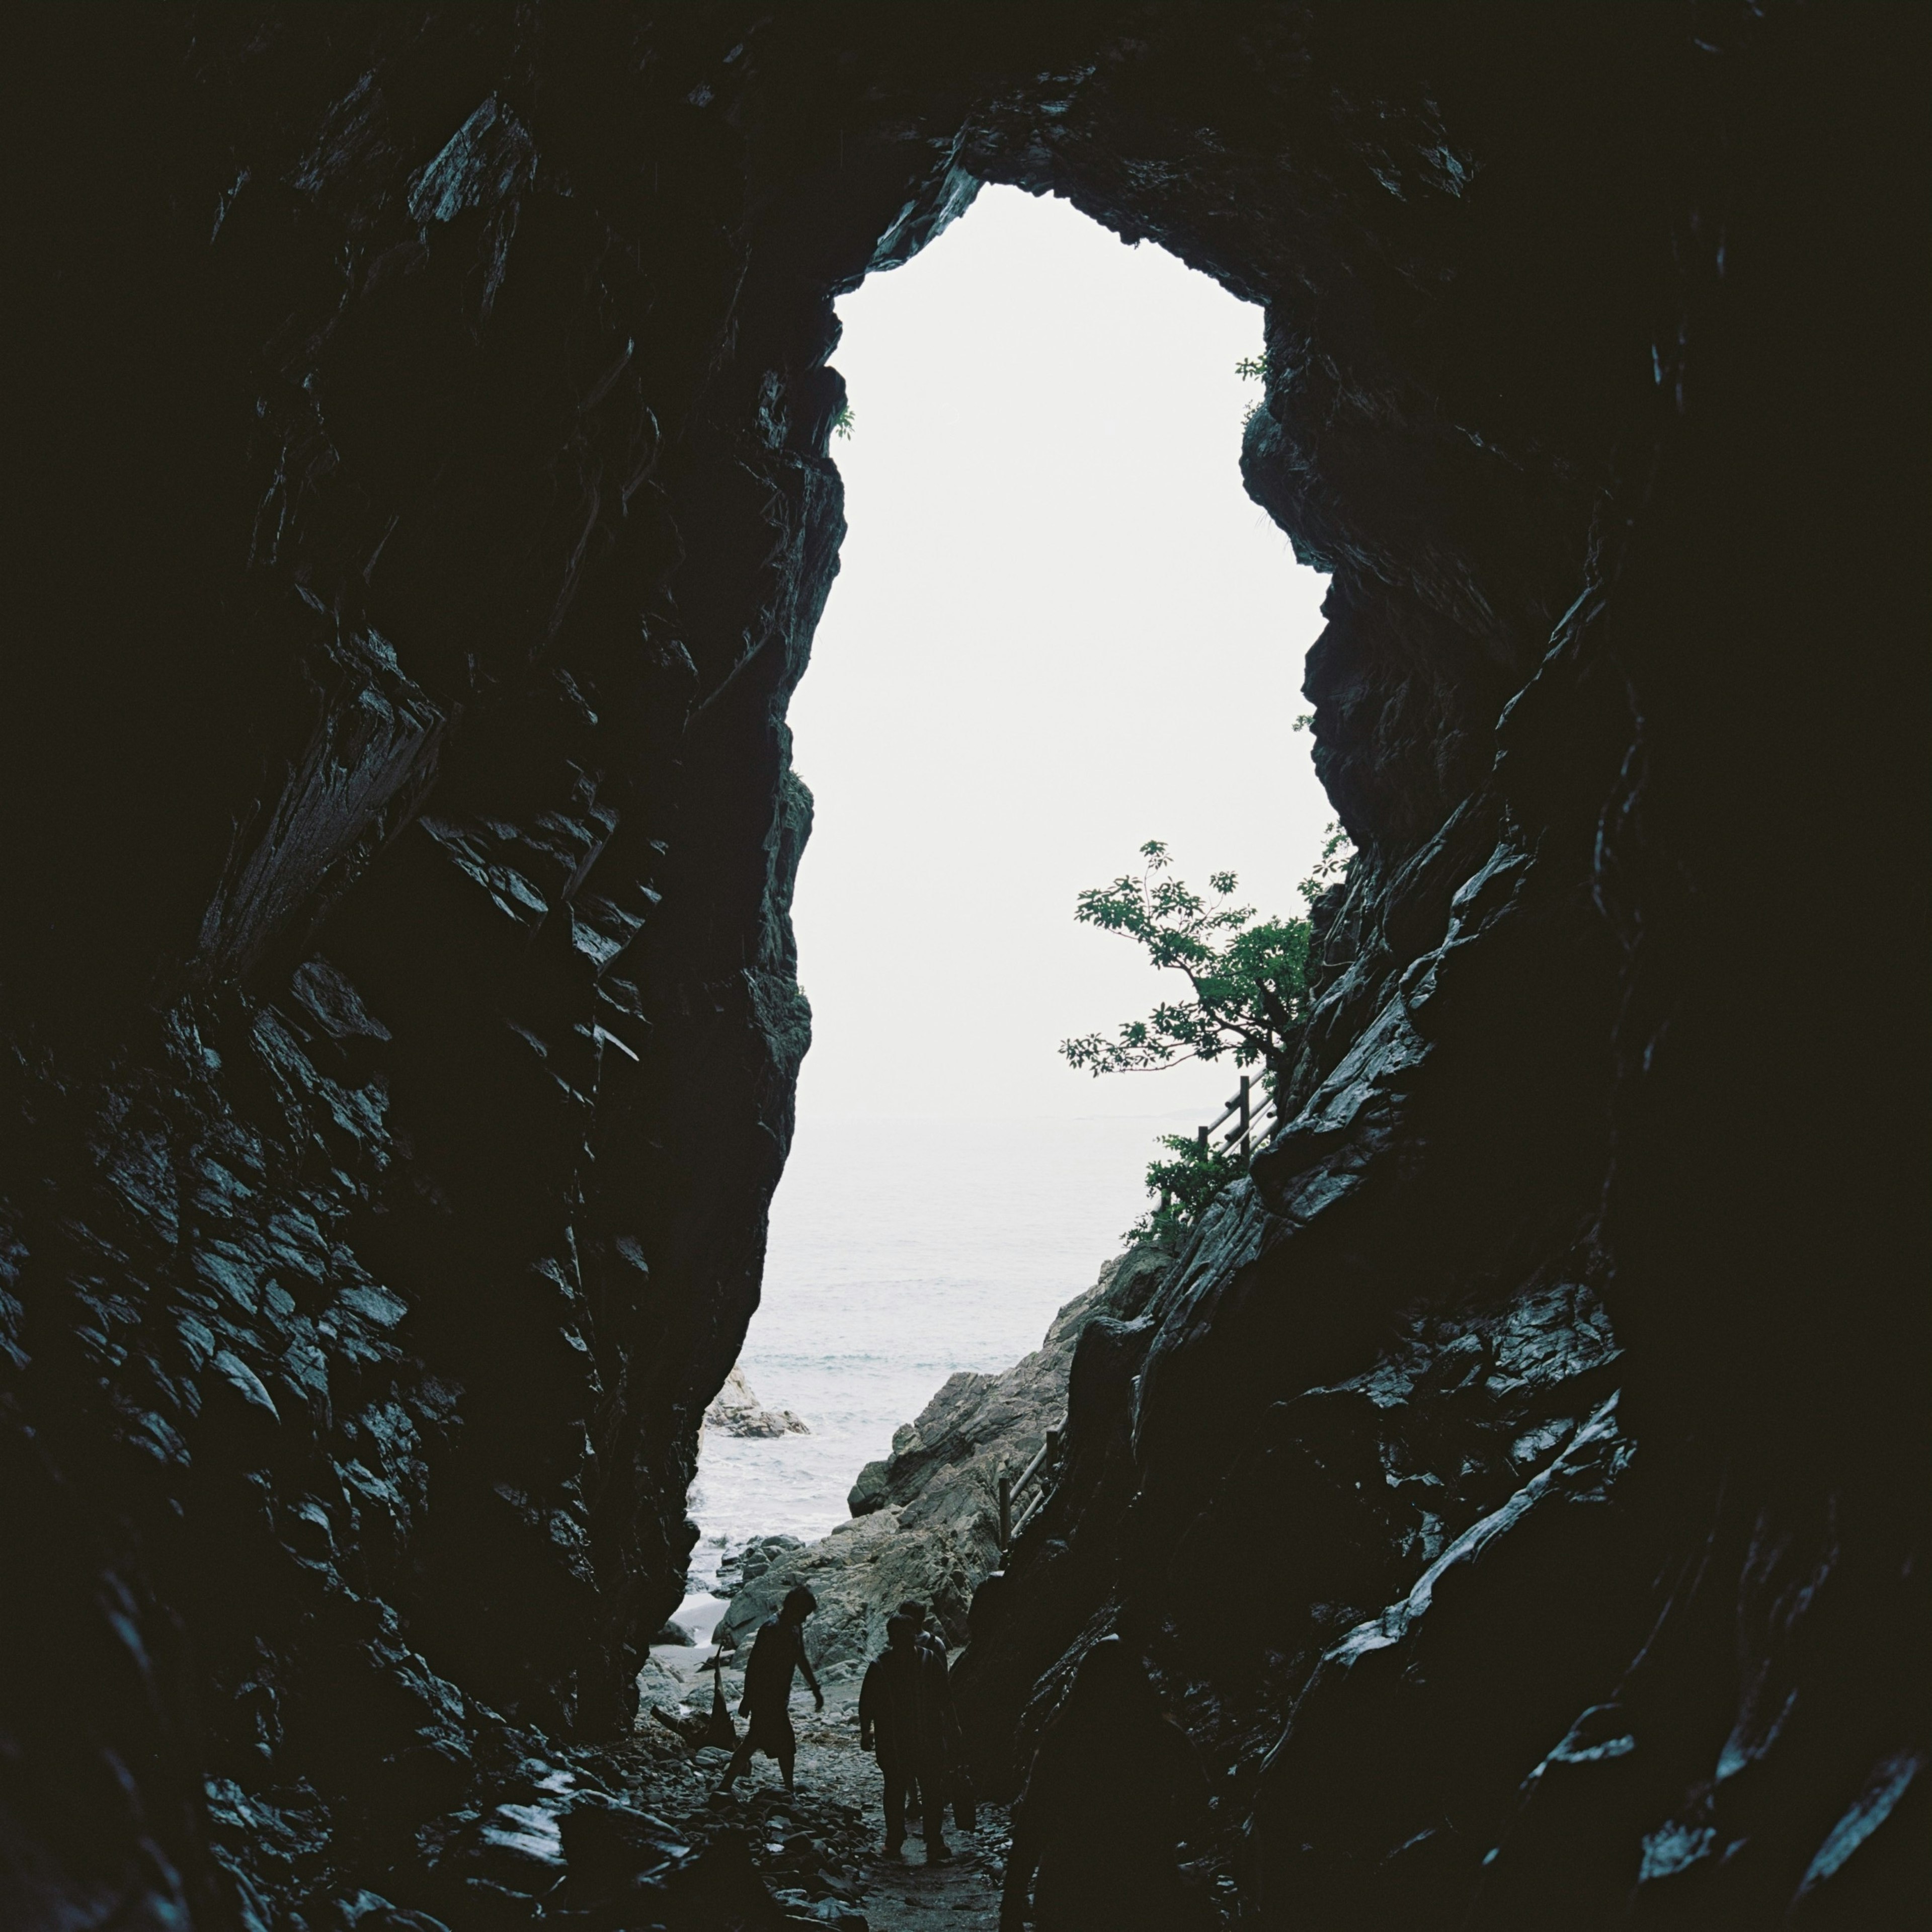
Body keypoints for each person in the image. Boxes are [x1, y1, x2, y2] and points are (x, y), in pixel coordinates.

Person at [999, 1636, 1212, 1931]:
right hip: (1143, 1887)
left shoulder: (1062, 1742)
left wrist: (1010, 1908)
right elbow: (1198, 1793)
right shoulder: (1163, 1736)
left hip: (1068, 1895)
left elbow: (1032, 1826)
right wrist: (1160, 1831)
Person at [859, 1605, 958, 1860]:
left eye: (907, 1634)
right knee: (900, 1790)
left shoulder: (920, 1661)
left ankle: (928, 1840)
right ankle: (901, 1839)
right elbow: (867, 1704)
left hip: (921, 1739)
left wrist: (952, 1725)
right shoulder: (883, 1666)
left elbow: (945, 1697)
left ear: (913, 1634)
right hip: (900, 1742)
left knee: (925, 1790)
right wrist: (865, 1732)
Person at [717, 1585, 823, 1794]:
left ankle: (727, 1784)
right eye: (804, 1614)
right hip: (766, 1698)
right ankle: (788, 1789)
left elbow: (800, 1657)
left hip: (778, 1698)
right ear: (793, 1608)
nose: (805, 1619)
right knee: (779, 1744)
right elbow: (755, 1666)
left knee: (757, 1741)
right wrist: (748, 1699)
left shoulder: (794, 1626)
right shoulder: (771, 1629)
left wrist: (815, 1688)